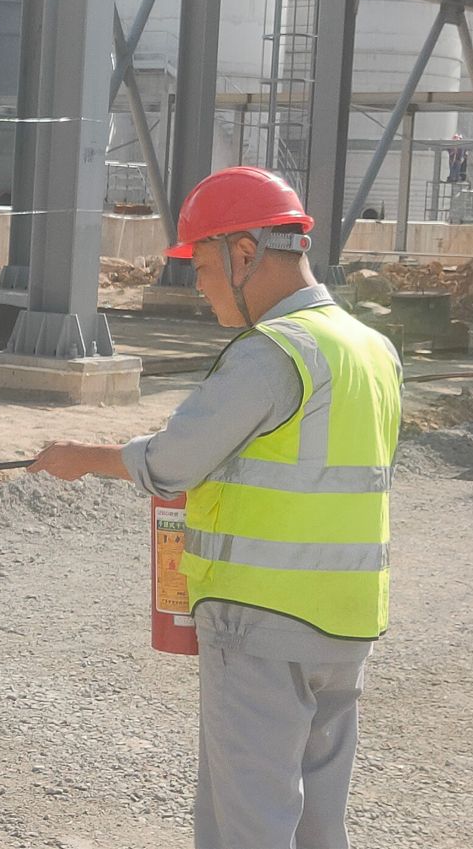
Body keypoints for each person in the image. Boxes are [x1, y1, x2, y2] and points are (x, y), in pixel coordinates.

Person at [27, 165, 401, 849]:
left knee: (247, 822)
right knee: (318, 822)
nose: (199, 286)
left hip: (263, 619)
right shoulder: (371, 349)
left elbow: (174, 461)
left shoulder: (274, 353)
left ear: (245, 253)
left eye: (201, 266)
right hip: (347, 620)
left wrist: (86, 455)